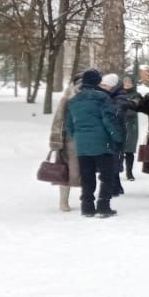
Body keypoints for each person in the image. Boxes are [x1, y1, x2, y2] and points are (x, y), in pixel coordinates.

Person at [66, 69, 122, 218]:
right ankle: (103, 205)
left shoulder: (73, 100)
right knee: (106, 176)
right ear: (97, 81)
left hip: (82, 145)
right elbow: (108, 120)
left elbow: (69, 126)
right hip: (102, 142)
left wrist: (79, 137)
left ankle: (87, 207)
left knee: (87, 176)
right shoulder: (102, 97)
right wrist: (117, 137)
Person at [49, 76, 82, 212]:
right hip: (68, 140)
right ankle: (63, 201)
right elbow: (58, 119)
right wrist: (55, 139)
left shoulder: (91, 98)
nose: (81, 86)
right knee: (65, 171)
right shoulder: (67, 98)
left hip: (85, 139)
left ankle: (87, 200)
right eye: (79, 83)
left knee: (85, 171)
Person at [100, 74, 128, 197]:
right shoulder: (108, 96)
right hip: (110, 132)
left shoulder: (120, 97)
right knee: (112, 159)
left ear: (112, 86)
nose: (102, 87)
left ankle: (114, 187)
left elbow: (117, 113)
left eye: (104, 85)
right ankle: (117, 185)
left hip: (116, 132)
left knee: (114, 159)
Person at [120, 76, 139, 181]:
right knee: (118, 149)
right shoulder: (118, 93)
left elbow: (135, 108)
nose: (127, 84)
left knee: (129, 150)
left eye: (129, 82)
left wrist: (123, 109)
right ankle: (118, 170)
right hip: (119, 124)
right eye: (125, 81)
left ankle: (129, 172)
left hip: (131, 125)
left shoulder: (136, 95)